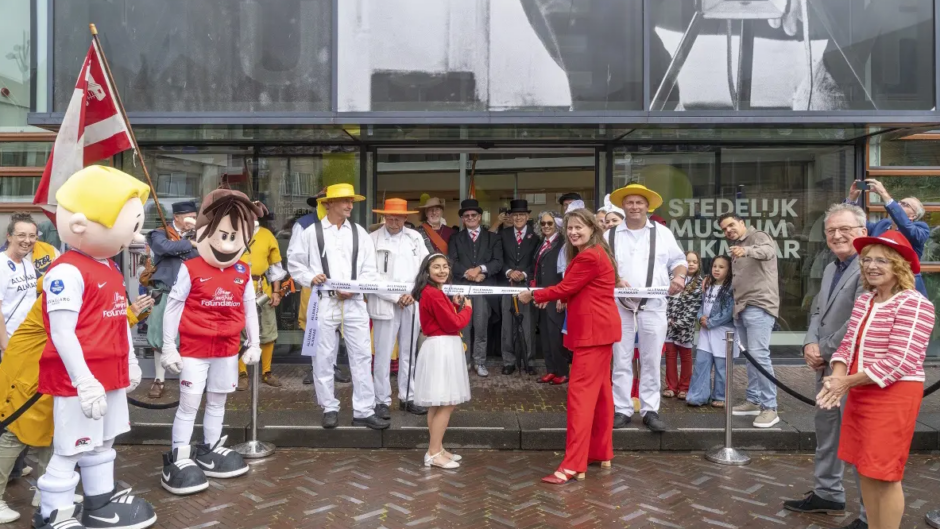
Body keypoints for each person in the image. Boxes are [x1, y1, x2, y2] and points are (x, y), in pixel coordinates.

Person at [35, 165, 156, 529]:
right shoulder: (65, 272)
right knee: (70, 448)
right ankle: (53, 514)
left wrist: (131, 360)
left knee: (103, 443)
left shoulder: (109, 268)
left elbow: (118, 319)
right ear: (80, 225)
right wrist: (83, 381)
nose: (135, 235)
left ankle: (99, 503)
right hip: (80, 379)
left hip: (111, 372)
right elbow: (62, 332)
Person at [0, 278, 152, 524]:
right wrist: (130, 316)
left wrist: (130, 314)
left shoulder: (83, 286)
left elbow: (97, 321)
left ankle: (46, 491)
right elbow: (84, 328)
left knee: (54, 430)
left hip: (54, 371)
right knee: (16, 434)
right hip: (29, 371)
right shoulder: (63, 288)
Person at [816, 230, 934, 529]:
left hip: (893, 395)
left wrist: (846, 382)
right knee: (864, 467)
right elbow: (848, 344)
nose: (871, 266)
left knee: (885, 473)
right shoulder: (866, 300)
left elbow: (902, 359)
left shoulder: (914, 303)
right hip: (859, 390)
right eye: (867, 260)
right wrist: (837, 376)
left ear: (900, 266)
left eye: (882, 260)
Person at [517, 207, 621, 484]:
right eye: (570, 229)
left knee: (580, 399)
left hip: (592, 333)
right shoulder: (597, 252)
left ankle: (573, 464)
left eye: (579, 228)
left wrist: (534, 294)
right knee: (600, 395)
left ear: (592, 229)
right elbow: (575, 289)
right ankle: (600, 452)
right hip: (600, 331)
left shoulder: (589, 255)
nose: (574, 233)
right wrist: (558, 296)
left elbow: (565, 287)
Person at [783, 204, 869, 525]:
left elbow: (861, 319)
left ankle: (868, 514)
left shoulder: (869, 266)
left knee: (856, 439)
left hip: (853, 370)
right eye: (831, 230)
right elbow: (818, 310)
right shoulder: (832, 268)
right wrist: (809, 342)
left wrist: (825, 348)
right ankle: (827, 494)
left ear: (862, 231)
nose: (837, 235)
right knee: (827, 431)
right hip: (826, 365)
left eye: (845, 229)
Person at [288, 184, 388, 430]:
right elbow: (295, 262)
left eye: (351, 201)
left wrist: (356, 288)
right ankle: (329, 407)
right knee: (323, 356)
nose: (349, 205)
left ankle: (364, 410)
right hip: (325, 300)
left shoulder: (359, 233)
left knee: (362, 356)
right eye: (344, 201)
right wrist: (311, 277)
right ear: (328, 203)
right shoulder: (311, 232)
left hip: (354, 302)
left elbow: (370, 270)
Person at [607, 184, 688, 433]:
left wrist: (679, 278)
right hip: (619, 305)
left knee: (651, 358)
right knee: (621, 358)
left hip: (653, 304)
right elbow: (600, 265)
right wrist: (615, 278)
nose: (634, 207)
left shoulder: (662, 233)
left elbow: (679, 261)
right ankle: (621, 409)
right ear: (623, 206)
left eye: (639, 203)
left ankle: (650, 410)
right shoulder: (609, 234)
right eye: (629, 202)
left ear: (647, 206)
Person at [368, 198, 430, 417]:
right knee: (383, 353)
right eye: (390, 217)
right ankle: (381, 400)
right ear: (384, 217)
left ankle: (407, 396)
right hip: (385, 302)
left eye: (398, 218)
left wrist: (413, 294)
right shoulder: (372, 239)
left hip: (411, 302)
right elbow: (369, 275)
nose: (394, 222)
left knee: (408, 352)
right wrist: (395, 296)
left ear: (406, 217)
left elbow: (425, 268)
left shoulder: (415, 238)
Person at [719, 212, 781, 428]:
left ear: (742, 223)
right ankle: (754, 400)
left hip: (759, 305)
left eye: (731, 225)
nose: (728, 230)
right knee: (751, 357)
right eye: (725, 229)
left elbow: (768, 251)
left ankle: (770, 408)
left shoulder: (758, 237)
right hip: (742, 307)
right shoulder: (737, 244)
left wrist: (746, 250)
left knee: (759, 355)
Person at [411, 254, 472, 469]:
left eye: (445, 266)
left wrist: (454, 306)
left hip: (439, 346)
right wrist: (467, 310)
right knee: (447, 402)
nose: (442, 271)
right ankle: (433, 452)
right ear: (427, 271)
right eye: (436, 267)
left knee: (438, 402)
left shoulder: (434, 292)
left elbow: (443, 317)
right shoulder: (434, 293)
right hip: (442, 348)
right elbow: (453, 324)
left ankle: (437, 447)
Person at [290, 189, 350, 386]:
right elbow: (296, 256)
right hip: (314, 286)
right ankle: (314, 367)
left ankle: (331, 366)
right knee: (312, 327)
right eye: (320, 201)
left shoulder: (346, 226)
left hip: (339, 289)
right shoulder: (304, 224)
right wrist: (310, 277)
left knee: (333, 329)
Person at [144, 200, 199, 399]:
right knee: (160, 337)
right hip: (165, 292)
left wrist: (191, 242)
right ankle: (159, 380)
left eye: (194, 216)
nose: (193, 220)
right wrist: (188, 244)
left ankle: (190, 378)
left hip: (191, 295)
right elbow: (162, 248)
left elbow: (201, 254)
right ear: (176, 217)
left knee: (190, 338)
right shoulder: (159, 233)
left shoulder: (201, 235)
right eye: (189, 217)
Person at [448, 199, 503, 375]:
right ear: (463, 219)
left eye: (473, 215)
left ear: (479, 217)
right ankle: (464, 362)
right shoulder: (455, 238)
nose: (470, 218)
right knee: (463, 327)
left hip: (483, 289)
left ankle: (480, 362)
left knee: (480, 327)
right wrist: (468, 273)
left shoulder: (493, 238)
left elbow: (497, 262)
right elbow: (451, 262)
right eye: (466, 216)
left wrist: (480, 270)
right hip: (462, 289)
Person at [848, 179, 929, 297]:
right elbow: (857, 223)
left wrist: (884, 195)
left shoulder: (921, 228)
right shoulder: (883, 224)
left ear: (913, 216)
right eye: (899, 202)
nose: (899, 205)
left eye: (905, 205)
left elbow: (907, 227)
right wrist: (852, 200)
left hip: (906, 287)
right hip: (878, 286)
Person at [237, 205, 287, 390]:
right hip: (236, 288)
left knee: (267, 331)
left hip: (261, 289)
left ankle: (266, 372)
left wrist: (275, 292)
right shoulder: (234, 233)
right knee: (238, 332)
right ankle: (242, 373)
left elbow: (275, 267)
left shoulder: (267, 235)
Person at [686, 256, 735, 407]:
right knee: (701, 363)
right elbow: (701, 305)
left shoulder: (731, 289)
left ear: (729, 270)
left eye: (721, 267)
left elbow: (729, 311)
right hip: (706, 332)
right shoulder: (707, 285)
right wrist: (700, 317)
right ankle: (698, 395)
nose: (717, 269)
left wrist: (711, 322)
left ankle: (721, 396)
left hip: (723, 332)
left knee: (722, 366)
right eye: (715, 266)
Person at [498, 199, 539, 376]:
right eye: (515, 215)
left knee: (528, 325)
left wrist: (524, 273)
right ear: (511, 217)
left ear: (527, 216)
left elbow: (536, 261)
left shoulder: (536, 236)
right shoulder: (503, 234)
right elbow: (499, 258)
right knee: (507, 326)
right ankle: (509, 361)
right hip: (507, 285)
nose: (518, 217)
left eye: (522, 214)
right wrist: (509, 271)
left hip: (526, 286)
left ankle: (529, 361)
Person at [532, 211, 569, 384]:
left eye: (550, 223)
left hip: (556, 295)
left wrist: (563, 297)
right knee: (545, 336)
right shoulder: (542, 243)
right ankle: (550, 369)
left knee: (555, 336)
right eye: (543, 223)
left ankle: (562, 371)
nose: (546, 226)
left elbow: (565, 272)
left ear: (558, 225)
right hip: (543, 296)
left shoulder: (563, 244)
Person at [663, 250, 703, 400]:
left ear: (699, 265)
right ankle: (671, 386)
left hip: (685, 328)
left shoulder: (700, 283)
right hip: (669, 326)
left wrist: (679, 323)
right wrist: (668, 320)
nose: (691, 264)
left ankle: (684, 387)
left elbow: (695, 307)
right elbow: (665, 301)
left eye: (694, 262)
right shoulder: (671, 279)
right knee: (670, 356)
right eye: (688, 261)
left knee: (686, 358)